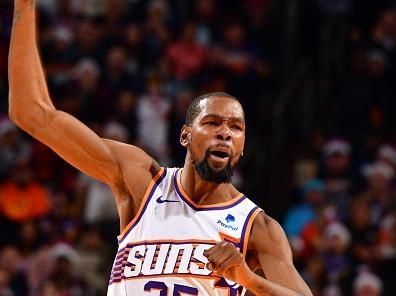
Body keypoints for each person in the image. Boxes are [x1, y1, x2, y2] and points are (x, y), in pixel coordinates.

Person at [8, 1, 312, 295]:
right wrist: (24, 6)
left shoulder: (258, 227)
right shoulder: (142, 181)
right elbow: (31, 113)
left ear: (242, 147)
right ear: (185, 136)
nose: (225, 134)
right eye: (212, 123)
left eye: (236, 127)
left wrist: (248, 279)